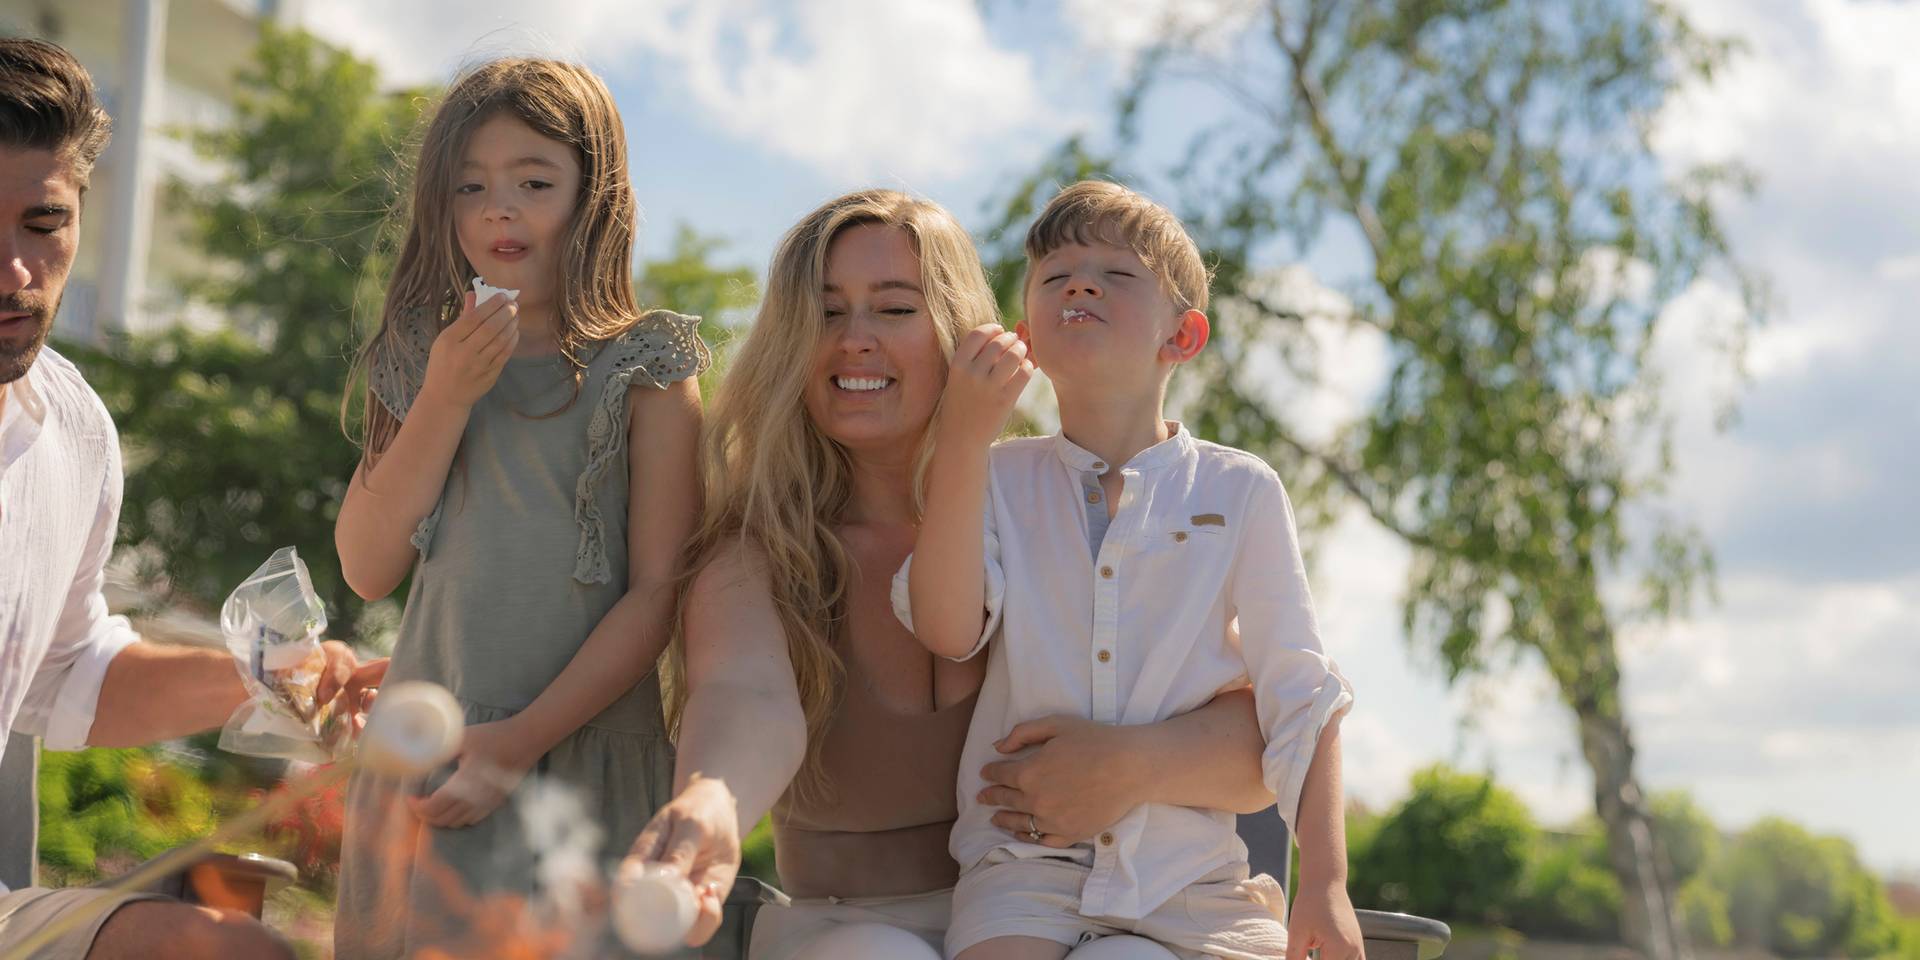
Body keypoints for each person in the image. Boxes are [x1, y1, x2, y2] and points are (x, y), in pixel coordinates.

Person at [629, 189, 1283, 960]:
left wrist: (1129, 764)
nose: (855, 341)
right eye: (827, 312)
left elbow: (1268, 716)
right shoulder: (760, 551)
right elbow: (747, 693)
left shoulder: (1054, 505)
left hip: (1072, 915)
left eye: (895, 310)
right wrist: (712, 800)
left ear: (965, 334)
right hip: (850, 927)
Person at [898, 180, 1361, 960]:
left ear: (1182, 337)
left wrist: (1325, 884)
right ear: (1027, 338)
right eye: (1056, 277)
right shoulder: (995, 476)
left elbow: (1302, 693)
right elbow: (947, 629)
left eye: (1117, 274)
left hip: (1192, 886)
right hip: (1021, 871)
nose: (1080, 282)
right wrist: (962, 439)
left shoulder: (1239, 491)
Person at [331, 56, 706, 958]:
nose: (500, 209)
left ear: (594, 197)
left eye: (534, 181)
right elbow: (367, 564)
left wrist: (518, 742)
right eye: (471, 186)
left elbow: (658, 593)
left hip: (573, 767)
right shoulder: (425, 352)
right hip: (431, 761)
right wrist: (446, 396)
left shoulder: (649, 372)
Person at [0, 37, 359, 960]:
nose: (15, 273)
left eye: (43, 225)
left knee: (234, 952)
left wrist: (275, 677)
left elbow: (63, 675)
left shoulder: (75, 431)